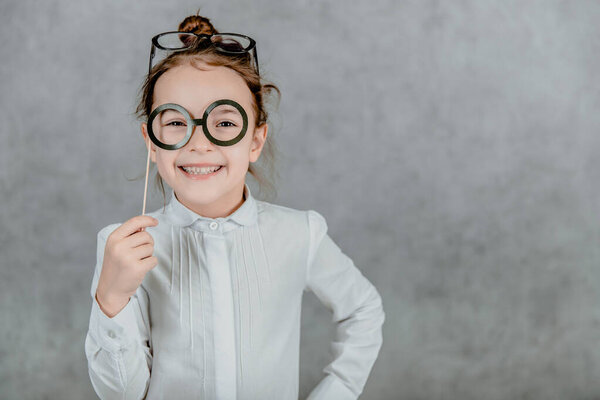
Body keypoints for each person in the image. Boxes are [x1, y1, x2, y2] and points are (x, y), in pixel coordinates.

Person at [84, 13, 385, 400]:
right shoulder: (123, 246)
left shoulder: (300, 233)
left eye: (224, 124)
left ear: (255, 141)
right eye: (175, 122)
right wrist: (112, 299)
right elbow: (121, 394)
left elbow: (363, 309)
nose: (199, 144)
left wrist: (338, 390)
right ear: (151, 141)